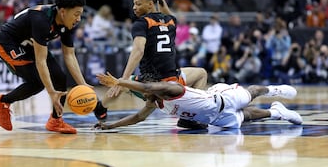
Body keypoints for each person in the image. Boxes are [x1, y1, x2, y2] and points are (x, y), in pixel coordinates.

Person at [0, 0, 105, 134]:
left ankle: (56, 120)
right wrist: (51, 92)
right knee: (37, 82)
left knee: (60, 77)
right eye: (76, 14)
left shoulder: (67, 24)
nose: (78, 19)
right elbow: (41, 61)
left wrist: (83, 84)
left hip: (30, 44)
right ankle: (2, 102)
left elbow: (69, 55)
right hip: (9, 43)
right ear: (63, 11)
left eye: (80, 15)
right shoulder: (41, 19)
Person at [101, 0, 208, 127]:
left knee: (122, 86)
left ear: (150, 4)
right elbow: (166, 12)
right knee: (201, 73)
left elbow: (137, 51)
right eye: (134, 3)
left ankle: (99, 109)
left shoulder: (141, 23)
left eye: (138, 3)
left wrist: (123, 80)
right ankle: (190, 116)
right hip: (173, 80)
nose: (134, 7)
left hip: (152, 81)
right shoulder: (171, 21)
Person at [95, 72, 302, 130]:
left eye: (145, 93)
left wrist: (119, 82)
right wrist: (111, 125)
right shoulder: (153, 103)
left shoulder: (171, 89)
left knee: (251, 93)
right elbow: (138, 117)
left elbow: (148, 87)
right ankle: (277, 112)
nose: (144, 97)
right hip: (215, 118)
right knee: (246, 117)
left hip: (221, 98)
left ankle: (275, 90)